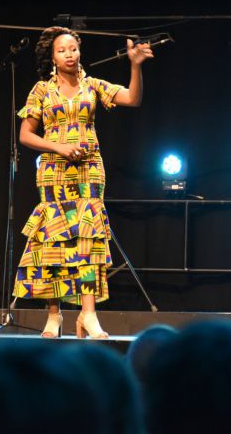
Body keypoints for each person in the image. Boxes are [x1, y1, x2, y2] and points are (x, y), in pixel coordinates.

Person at [13, 26, 153, 338]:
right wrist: (59, 147)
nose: (69, 55)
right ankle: (55, 315)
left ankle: (88, 315)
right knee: (54, 243)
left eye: (73, 49)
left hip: (89, 171)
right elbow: (25, 135)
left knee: (88, 240)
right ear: (52, 56)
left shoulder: (93, 86)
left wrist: (135, 66)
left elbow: (132, 98)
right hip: (54, 172)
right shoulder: (41, 91)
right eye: (62, 50)